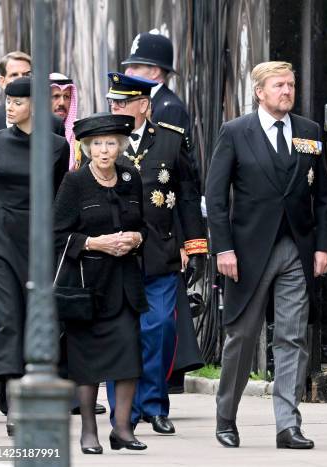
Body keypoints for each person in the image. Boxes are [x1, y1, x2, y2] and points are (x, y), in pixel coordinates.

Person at [206, 61, 327, 449]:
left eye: (291, 85)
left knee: (293, 338)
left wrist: (324, 245)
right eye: (278, 85)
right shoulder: (235, 132)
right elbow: (215, 197)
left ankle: (287, 424)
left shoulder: (309, 132)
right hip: (247, 253)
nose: (287, 91)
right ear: (259, 92)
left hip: (296, 248)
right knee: (242, 337)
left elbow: (323, 196)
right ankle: (226, 416)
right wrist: (223, 248)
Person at [104, 72, 207, 435]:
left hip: (161, 252)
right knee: (123, 332)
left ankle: (154, 404)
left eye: (122, 101)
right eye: (112, 101)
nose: (115, 107)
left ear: (144, 104)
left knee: (160, 328)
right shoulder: (103, 140)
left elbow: (188, 196)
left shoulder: (170, 139)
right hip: (116, 255)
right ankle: (125, 413)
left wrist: (193, 246)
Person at [53, 112, 148, 454]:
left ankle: (122, 429)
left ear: (120, 146)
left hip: (124, 284)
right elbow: (57, 234)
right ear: (87, 147)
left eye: (111, 144)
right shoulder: (75, 183)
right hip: (86, 288)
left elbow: (144, 224)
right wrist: (95, 243)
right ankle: (89, 432)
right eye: (97, 144)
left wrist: (136, 237)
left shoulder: (130, 177)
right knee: (87, 362)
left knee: (128, 356)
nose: (105, 151)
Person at [0, 77, 69, 436]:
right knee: (7, 318)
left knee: (30, 316)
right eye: (7, 100)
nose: (10, 106)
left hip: (36, 241)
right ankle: (13, 404)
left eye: (18, 101)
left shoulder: (55, 147)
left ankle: (13, 395)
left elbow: (55, 198)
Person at [122, 30, 191, 146]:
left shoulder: (170, 109)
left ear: (154, 72)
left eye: (135, 66)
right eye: (129, 66)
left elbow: (169, 157)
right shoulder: (144, 102)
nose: (127, 72)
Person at [0, 51, 64, 135]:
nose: (21, 79)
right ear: (2, 81)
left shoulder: (55, 123)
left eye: (27, 74)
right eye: (14, 75)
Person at [50, 72, 79, 170]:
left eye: (66, 97)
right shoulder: (31, 130)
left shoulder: (79, 131)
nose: (62, 103)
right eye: (55, 96)